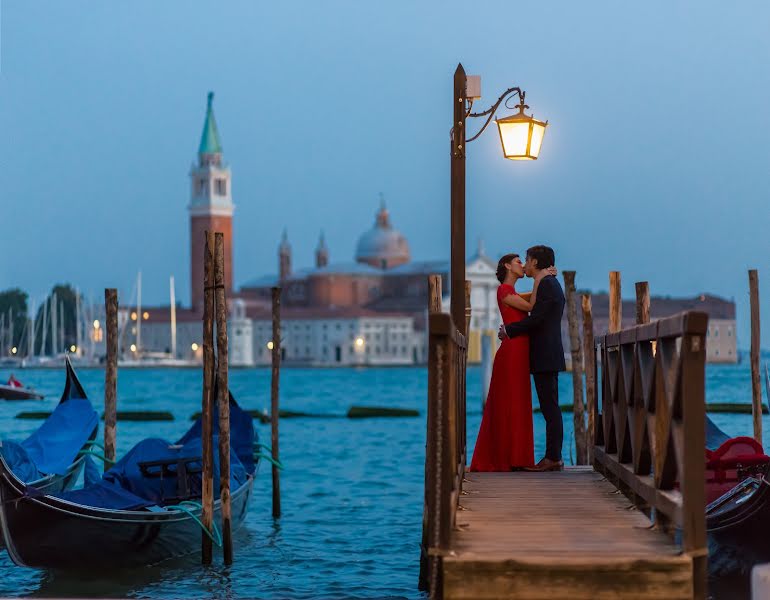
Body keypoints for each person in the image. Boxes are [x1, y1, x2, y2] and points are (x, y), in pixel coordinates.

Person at [470, 253, 554, 472]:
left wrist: (541, 280)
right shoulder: (504, 290)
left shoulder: (512, 292)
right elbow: (531, 307)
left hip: (519, 350)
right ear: (507, 266)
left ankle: (516, 456)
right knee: (509, 402)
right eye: (518, 262)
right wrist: (540, 279)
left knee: (517, 401)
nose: (522, 265)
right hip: (512, 352)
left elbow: (525, 298)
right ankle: (509, 457)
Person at [498, 245, 566, 472]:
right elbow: (532, 308)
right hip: (547, 352)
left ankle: (553, 458)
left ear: (535, 262)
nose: (525, 264)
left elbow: (535, 318)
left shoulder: (546, 284)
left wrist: (510, 330)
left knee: (550, 408)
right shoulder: (547, 283)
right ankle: (552, 456)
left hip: (545, 353)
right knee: (550, 408)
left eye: (526, 260)